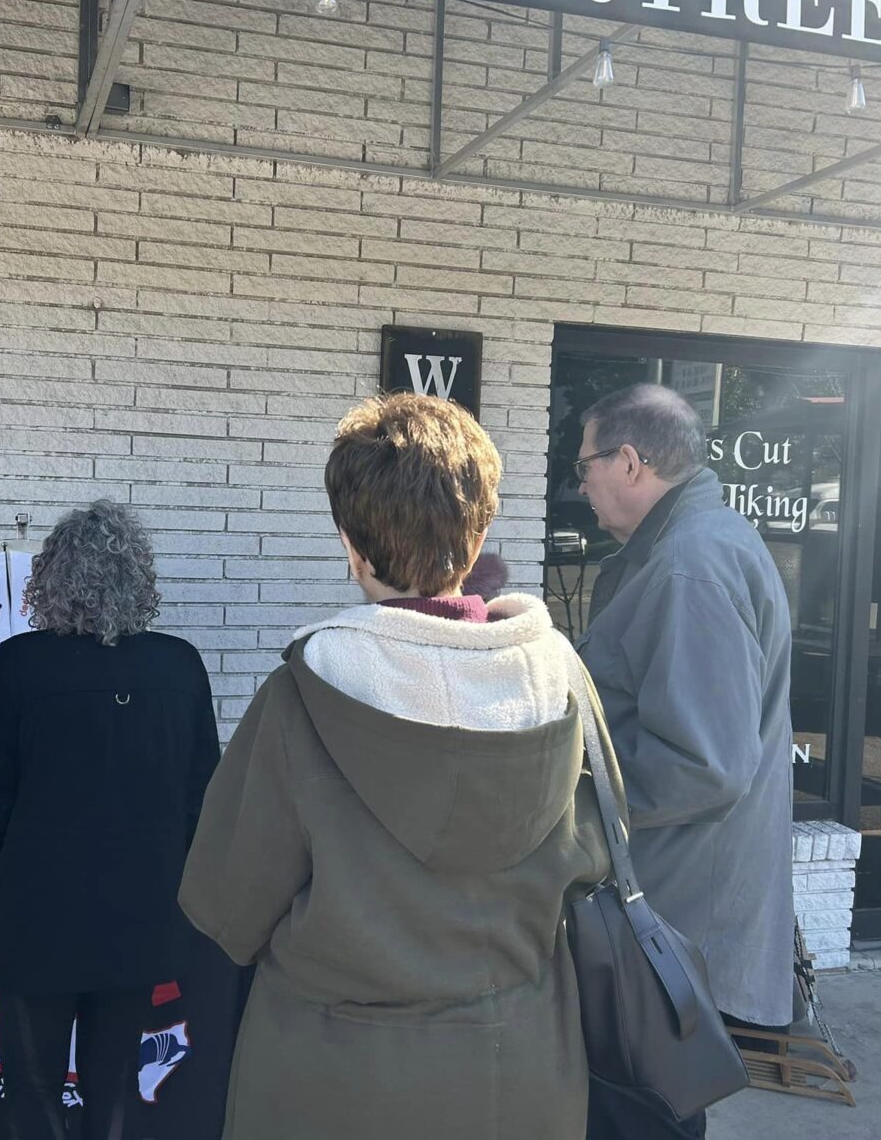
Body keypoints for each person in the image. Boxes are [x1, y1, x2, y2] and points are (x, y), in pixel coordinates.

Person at [180, 392, 619, 1140]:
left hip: (332, 1084)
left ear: (352, 545)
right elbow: (602, 860)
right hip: (523, 1076)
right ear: (476, 540)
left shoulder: (302, 699)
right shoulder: (561, 683)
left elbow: (225, 907)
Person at [0, 499, 221, 1140]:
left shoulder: (21, 664)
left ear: (52, 580)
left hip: (35, 917)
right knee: (114, 1084)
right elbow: (202, 801)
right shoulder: (179, 665)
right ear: (140, 580)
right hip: (142, 915)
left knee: (35, 1089)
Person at [573, 383, 794, 1140]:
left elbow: (704, 764)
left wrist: (569, 783)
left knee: (642, 1114)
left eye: (585, 467)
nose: (583, 485)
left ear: (629, 462)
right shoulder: (698, 543)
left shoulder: (687, 564)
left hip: (665, 918)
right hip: (670, 911)